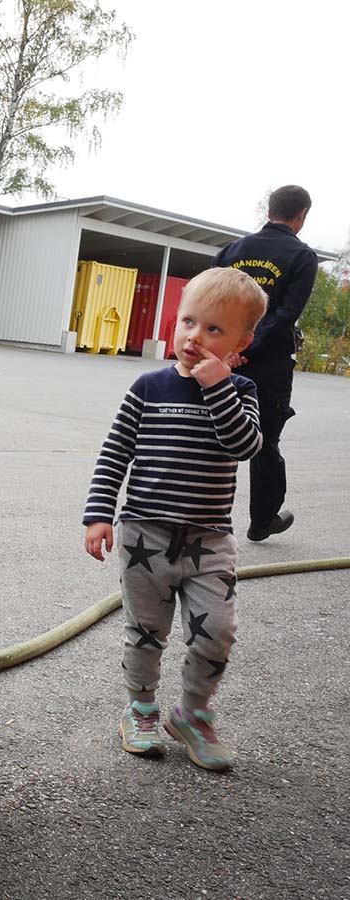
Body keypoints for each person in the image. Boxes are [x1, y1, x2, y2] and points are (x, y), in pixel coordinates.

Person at [83, 267, 268, 772]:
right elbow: (114, 454)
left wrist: (218, 389)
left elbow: (245, 445)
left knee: (216, 633)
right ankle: (141, 709)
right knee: (145, 631)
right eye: (188, 321)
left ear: (241, 343)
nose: (194, 337)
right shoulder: (149, 387)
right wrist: (99, 514)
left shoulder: (241, 391)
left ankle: (192, 713)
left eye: (214, 329)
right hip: (145, 533)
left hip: (210, 540)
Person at [212, 185, 318, 542]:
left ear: (270, 209)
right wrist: (252, 348)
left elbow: (211, 302)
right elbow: (287, 313)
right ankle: (262, 519)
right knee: (264, 440)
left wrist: (228, 349)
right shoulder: (301, 257)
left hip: (224, 361)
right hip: (269, 365)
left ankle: (195, 515)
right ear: (301, 215)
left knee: (211, 433)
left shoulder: (231, 251)